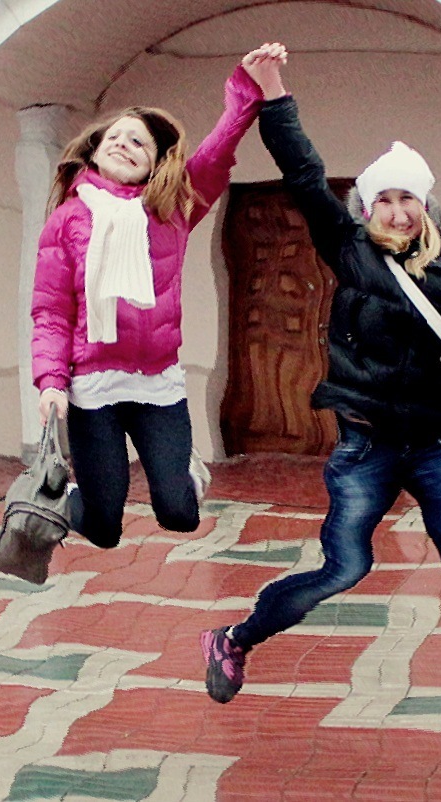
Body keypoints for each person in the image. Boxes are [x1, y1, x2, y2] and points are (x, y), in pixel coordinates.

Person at [199, 50, 441, 732]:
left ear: (426, 204)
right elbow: (303, 172)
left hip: (435, 449)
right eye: (385, 198)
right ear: (367, 204)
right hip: (365, 448)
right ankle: (234, 640)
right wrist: (274, 91)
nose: (398, 210)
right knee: (343, 568)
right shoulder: (348, 248)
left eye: (409, 198)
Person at [27, 44, 286, 556]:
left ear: (155, 163)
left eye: (138, 143)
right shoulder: (66, 219)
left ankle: (178, 469)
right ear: (94, 151)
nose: (123, 144)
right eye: (114, 137)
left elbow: (216, 154)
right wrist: (51, 382)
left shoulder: (171, 208)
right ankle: (72, 498)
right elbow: (51, 312)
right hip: (93, 388)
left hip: (157, 384)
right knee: (103, 529)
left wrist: (247, 89)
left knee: (180, 514)